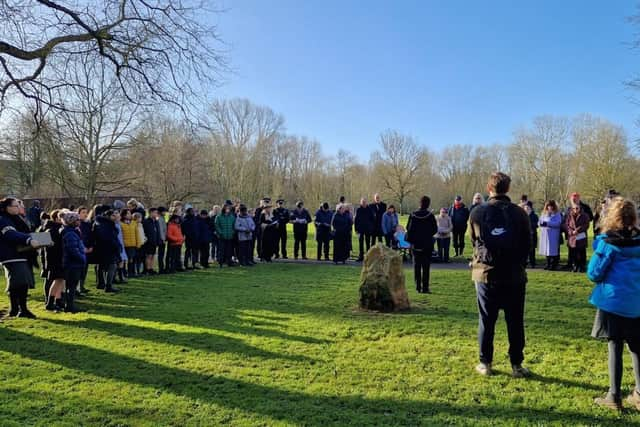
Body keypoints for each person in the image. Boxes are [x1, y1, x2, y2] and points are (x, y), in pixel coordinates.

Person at [469, 172, 531, 378]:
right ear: (508, 189)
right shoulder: (520, 213)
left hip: (486, 273)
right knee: (515, 321)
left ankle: (485, 362)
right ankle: (516, 364)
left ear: (489, 189)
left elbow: (474, 242)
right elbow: (528, 244)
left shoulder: (477, 213)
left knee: (486, 320)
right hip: (514, 274)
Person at [587, 197, 640, 411]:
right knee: (637, 348)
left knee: (615, 347)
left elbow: (594, 273)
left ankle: (614, 396)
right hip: (636, 301)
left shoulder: (608, 242)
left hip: (613, 302)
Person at [0, 197, 40, 318]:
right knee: (18, 283)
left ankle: (19, 309)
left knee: (21, 284)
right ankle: (18, 309)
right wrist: (28, 239)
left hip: (21, 254)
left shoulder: (16, 219)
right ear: (7, 207)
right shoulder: (3, 219)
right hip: (11, 255)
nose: (18, 208)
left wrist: (42, 241)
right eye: (15, 206)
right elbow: (11, 234)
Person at [406, 196, 438, 293]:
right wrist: (427, 236)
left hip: (416, 245)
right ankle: (425, 287)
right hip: (427, 244)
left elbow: (409, 229)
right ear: (428, 204)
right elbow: (434, 230)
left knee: (416, 266)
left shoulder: (413, 215)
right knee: (426, 267)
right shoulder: (430, 215)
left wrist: (413, 240)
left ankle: (418, 287)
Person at [60, 211, 86, 313]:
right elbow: (72, 249)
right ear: (72, 221)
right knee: (72, 286)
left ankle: (69, 305)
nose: (79, 221)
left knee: (71, 286)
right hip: (72, 264)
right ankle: (70, 306)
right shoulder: (70, 233)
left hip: (72, 263)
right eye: (77, 219)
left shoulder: (71, 232)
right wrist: (82, 258)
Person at [92, 208, 120, 293]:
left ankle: (100, 283)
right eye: (113, 215)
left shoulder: (99, 223)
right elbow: (109, 238)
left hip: (100, 248)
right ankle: (108, 285)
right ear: (108, 216)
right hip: (108, 249)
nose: (115, 217)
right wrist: (116, 246)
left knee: (101, 266)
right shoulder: (107, 225)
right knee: (112, 266)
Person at [43, 209, 65, 311]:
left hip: (60, 258)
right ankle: (50, 301)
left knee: (60, 280)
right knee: (55, 280)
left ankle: (58, 300)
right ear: (57, 218)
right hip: (55, 260)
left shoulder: (59, 229)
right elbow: (47, 247)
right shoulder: (51, 230)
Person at [538, 200, 562, 270]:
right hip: (545, 234)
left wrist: (548, 223)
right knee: (546, 250)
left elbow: (558, 223)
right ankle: (548, 264)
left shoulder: (557, 214)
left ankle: (553, 265)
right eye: (548, 206)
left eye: (551, 206)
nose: (550, 207)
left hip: (553, 234)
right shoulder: (544, 213)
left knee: (552, 250)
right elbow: (539, 221)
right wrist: (540, 223)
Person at [565, 203, 590, 273]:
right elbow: (566, 225)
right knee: (573, 253)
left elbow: (586, 225)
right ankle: (575, 266)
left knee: (582, 252)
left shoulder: (585, 215)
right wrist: (571, 231)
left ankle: (582, 267)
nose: (575, 210)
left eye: (577, 208)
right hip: (572, 237)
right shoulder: (569, 216)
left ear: (580, 208)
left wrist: (578, 230)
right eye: (574, 208)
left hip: (581, 237)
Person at [120, 208, 140, 279]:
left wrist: (138, 243)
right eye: (128, 213)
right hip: (124, 245)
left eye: (130, 213)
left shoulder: (133, 223)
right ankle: (123, 273)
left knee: (131, 259)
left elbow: (137, 234)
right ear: (124, 215)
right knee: (123, 260)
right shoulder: (120, 223)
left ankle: (131, 272)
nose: (130, 215)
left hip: (132, 244)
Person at [142, 208, 161, 274]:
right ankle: (147, 268)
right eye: (155, 212)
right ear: (151, 213)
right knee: (148, 255)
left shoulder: (156, 221)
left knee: (153, 255)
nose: (156, 214)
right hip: (148, 242)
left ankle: (151, 268)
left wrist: (158, 240)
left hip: (154, 242)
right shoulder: (146, 221)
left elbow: (157, 231)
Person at [523, 204, 539, 268]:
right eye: (525, 208)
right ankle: (525, 262)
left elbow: (536, 224)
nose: (526, 209)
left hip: (532, 234)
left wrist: (530, 226)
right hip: (524, 235)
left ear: (530, 208)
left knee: (532, 250)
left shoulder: (534, 216)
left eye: (527, 208)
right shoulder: (522, 215)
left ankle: (533, 263)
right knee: (524, 250)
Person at [157, 206, 168, 273]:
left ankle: (162, 267)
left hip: (163, 238)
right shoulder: (159, 219)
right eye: (164, 211)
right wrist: (163, 238)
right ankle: (161, 268)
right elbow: (161, 230)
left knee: (162, 254)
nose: (165, 213)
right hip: (161, 239)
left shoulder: (162, 218)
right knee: (161, 254)